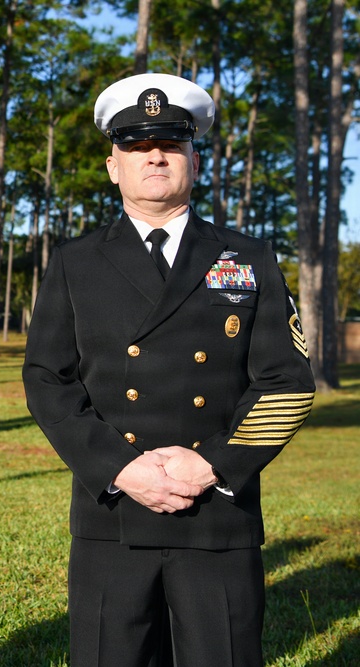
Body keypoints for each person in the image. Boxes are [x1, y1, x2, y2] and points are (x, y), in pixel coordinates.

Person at [22, 72, 316, 666]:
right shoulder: (76, 262)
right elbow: (47, 379)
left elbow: (288, 381)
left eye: (170, 144)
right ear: (113, 166)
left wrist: (212, 462)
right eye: (135, 146)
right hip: (113, 511)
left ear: (195, 160)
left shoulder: (248, 257)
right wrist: (120, 467)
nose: (154, 156)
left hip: (217, 512)